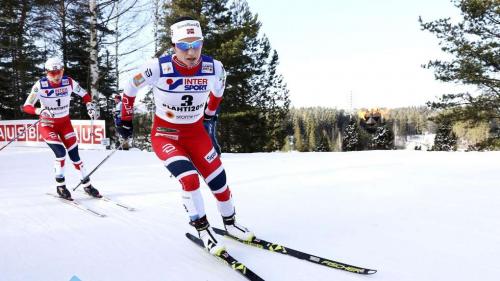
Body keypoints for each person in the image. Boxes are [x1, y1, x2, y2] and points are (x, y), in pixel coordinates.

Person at [117, 16, 254, 255]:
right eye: (184, 46)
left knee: (218, 181)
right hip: (165, 135)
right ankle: (202, 228)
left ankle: (230, 224)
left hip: (196, 133)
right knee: (190, 179)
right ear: (174, 47)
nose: (191, 52)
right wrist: (125, 119)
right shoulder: (157, 67)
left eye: (196, 45)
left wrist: (210, 119)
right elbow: (130, 88)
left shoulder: (215, 68)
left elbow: (217, 94)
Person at [22, 57, 101, 200]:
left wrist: (89, 105)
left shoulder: (69, 82)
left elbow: (85, 95)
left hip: (65, 124)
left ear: (62, 70)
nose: (56, 76)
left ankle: (87, 185)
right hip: (48, 125)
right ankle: (61, 185)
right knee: (60, 153)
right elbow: (26, 106)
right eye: (52, 73)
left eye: (58, 72)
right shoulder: (40, 85)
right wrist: (39, 111)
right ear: (46, 73)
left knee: (75, 156)